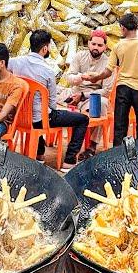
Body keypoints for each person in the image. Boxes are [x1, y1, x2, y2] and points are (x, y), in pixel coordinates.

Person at [9, 29, 89, 171]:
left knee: (38, 113)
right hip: (40, 119)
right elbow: (51, 104)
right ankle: (69, 161)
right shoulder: (47, 71)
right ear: (45, 48)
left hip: (19, 116)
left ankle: (39, 153)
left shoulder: (14, 62)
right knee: (82, 119)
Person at [82, 12, 138, 147]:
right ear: (137, 26)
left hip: (123, 88)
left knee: (120, 124)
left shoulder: (117, 46)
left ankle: (117, 154)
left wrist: (95, 78)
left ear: (122, 28)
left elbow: (108, 71)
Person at [59, 29, 114, 160]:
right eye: (93, 44)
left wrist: (84, 95)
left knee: (102, 104)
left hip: (92, 96)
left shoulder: (108, 63)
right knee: (50, 94)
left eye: (100, 45)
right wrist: (80, 78)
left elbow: (106, 90)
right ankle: (42, 141)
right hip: (75, 91)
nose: (96, 48)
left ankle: (92, 146)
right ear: (89, 43)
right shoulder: (79, 56)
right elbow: (69, 77)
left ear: (105, 47)